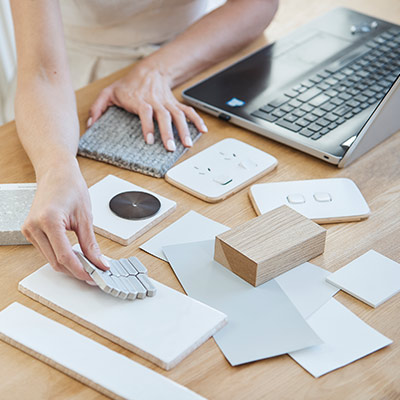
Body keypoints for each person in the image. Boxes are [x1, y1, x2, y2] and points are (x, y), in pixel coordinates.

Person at [10, 0, 278, 284]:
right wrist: (57, 167)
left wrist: (156, 71)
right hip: (66, 87)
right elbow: (41, 70)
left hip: (206, 49)